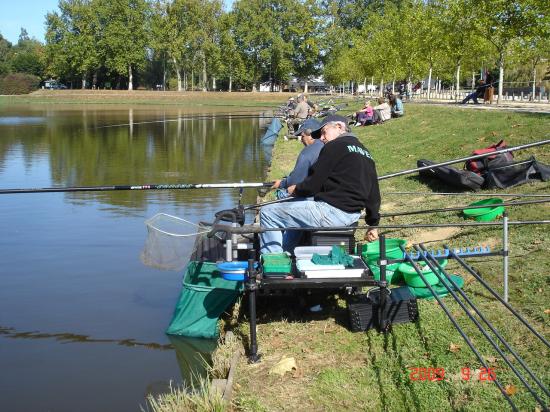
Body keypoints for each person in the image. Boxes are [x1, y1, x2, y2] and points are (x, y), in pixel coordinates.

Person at [260, 115, 381, 254]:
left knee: (268, 212)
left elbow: (313, 183)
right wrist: (373, 224)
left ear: (339, 127)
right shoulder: (365, 152)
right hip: (352, 215)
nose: (321, 138)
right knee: (298, 206)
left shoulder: (334, 146)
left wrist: (295, 189)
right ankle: (288, 252)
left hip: (332, 212)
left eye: (324, 132)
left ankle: (274, 266)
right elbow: (374, 194)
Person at [272, 118, 323, 199]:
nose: (301, 140)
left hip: (313, 197)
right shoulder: (328, 145)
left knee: (270, 207)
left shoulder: (308, 152)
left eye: (302, 136)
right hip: (327, 193)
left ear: (311, 135)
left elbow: (295, 180)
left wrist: (281, 183)